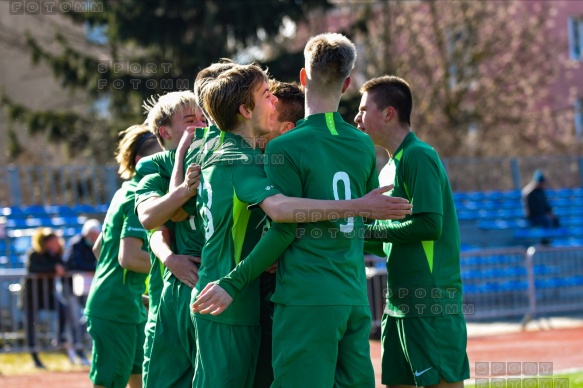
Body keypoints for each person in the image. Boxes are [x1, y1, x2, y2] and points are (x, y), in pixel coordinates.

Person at [192, 34, 409, 387]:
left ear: (303, 78)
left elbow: (284, 225)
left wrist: (235, 279)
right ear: (348, 82)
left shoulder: (286, 145)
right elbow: (362, 220)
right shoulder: (361, 143)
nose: (273, 102)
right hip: (353, 296)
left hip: (305, 298)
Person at [353, 75, 470, 387]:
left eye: (364, 110)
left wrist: (371, 234)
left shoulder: (419, 155)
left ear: (389, 113)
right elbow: (389, 242)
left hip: (430, 304)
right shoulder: (387, 167)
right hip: (399, 306)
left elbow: (431, 225)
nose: (357, 117)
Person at [135, 89, 207, 388]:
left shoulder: (224, 155)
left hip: (217, 286)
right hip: (173, 293)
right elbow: (151, 221)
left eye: (204, 118)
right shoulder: (154, 165)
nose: (201, 126)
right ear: (165, 132)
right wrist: (169, 258)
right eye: (191, 120)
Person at [84, 124, 161, 388]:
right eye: (160, 156)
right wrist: (171, 265)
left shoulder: (124, 191)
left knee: (139, 377)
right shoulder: (138, 195)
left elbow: (100, 249)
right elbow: (128, 258)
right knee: (110, 381)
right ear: (140, 162)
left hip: (127, 304)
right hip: (117, 308)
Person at [23, 227, 67, 369]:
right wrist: (53, 269)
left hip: (47, 295)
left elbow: (65, 266)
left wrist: (59, 266)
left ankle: (60, 339)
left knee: (62, 308)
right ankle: (34, 357)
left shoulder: (54, 254)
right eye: (53, 241)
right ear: (45, 242)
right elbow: (33, 268)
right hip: (30, 296)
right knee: (31, 326)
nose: (56, 243)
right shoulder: (33, 254)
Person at [62, 218, 101, 365]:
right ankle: (76, 349)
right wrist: (91, 269)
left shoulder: (100, 244)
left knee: (88, 316)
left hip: (90, 287)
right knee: (75, 318)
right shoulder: (76, 244)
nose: (93, 237)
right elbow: (72, 263)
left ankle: (85, 348)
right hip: (73, 287)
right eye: (91, 234)